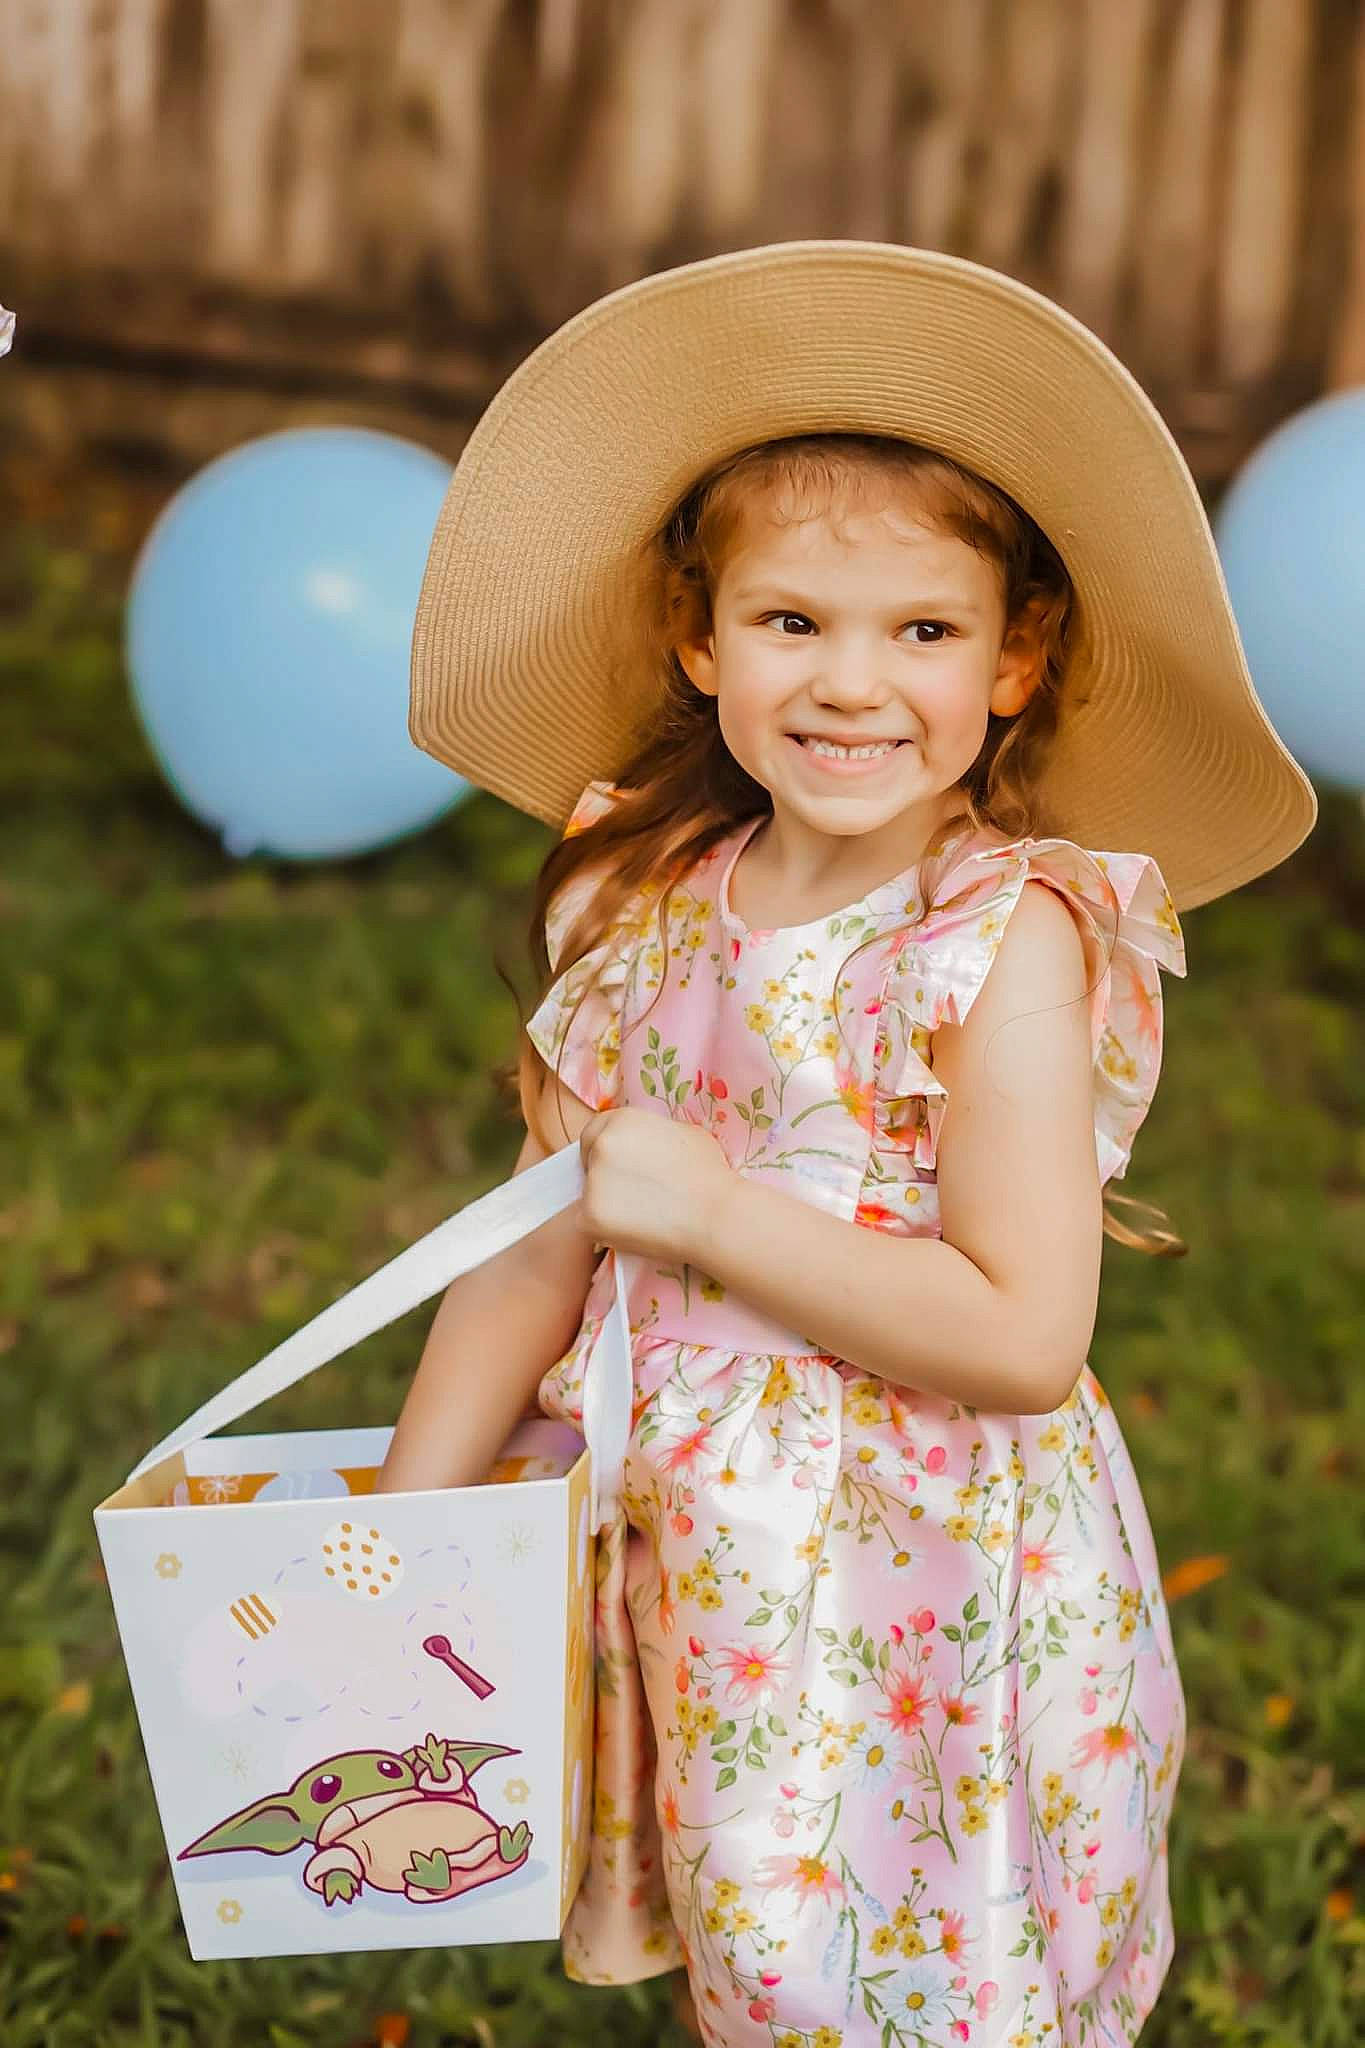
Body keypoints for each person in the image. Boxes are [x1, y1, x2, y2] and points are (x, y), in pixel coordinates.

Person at [376, 243, 1316, 2045]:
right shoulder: (634, 900)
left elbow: (1026, 1338)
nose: (850, 686)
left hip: (933, 1572)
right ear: (698, 633)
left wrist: (715, 1211)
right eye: (792, 621)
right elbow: (530, 1242)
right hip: (710, 1561)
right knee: (770, 1958)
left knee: (941, 1968)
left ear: (1016, 659)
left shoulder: (1000, 940)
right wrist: (409, 1529)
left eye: (924, 632)